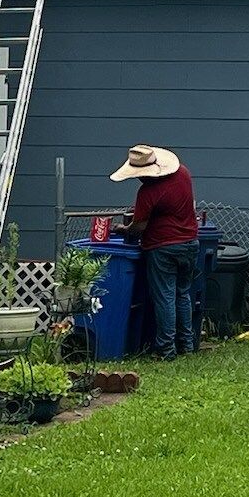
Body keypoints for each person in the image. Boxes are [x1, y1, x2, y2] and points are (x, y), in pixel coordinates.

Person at [109, 144, 200, 360]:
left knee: (165, 297)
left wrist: (124, 229)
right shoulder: (183, 174)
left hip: (163, 247)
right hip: (190, 242)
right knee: (183, 294)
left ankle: (166, 350)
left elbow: (139, 227)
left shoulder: (148, 192)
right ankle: (187, 345)